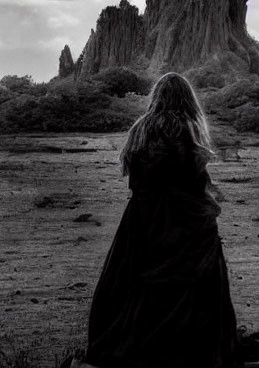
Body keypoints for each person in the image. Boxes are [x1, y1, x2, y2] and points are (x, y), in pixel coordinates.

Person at [84, 72, 240, 368]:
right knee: (196, 279)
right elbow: (193, 181)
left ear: (156, 97)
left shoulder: (140, 129)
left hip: (143, 219)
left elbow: (135, 178)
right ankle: (188, 347)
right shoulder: (188, 128)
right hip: (184, 219)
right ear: (187, 98)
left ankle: (144, 346)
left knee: (135, 283)